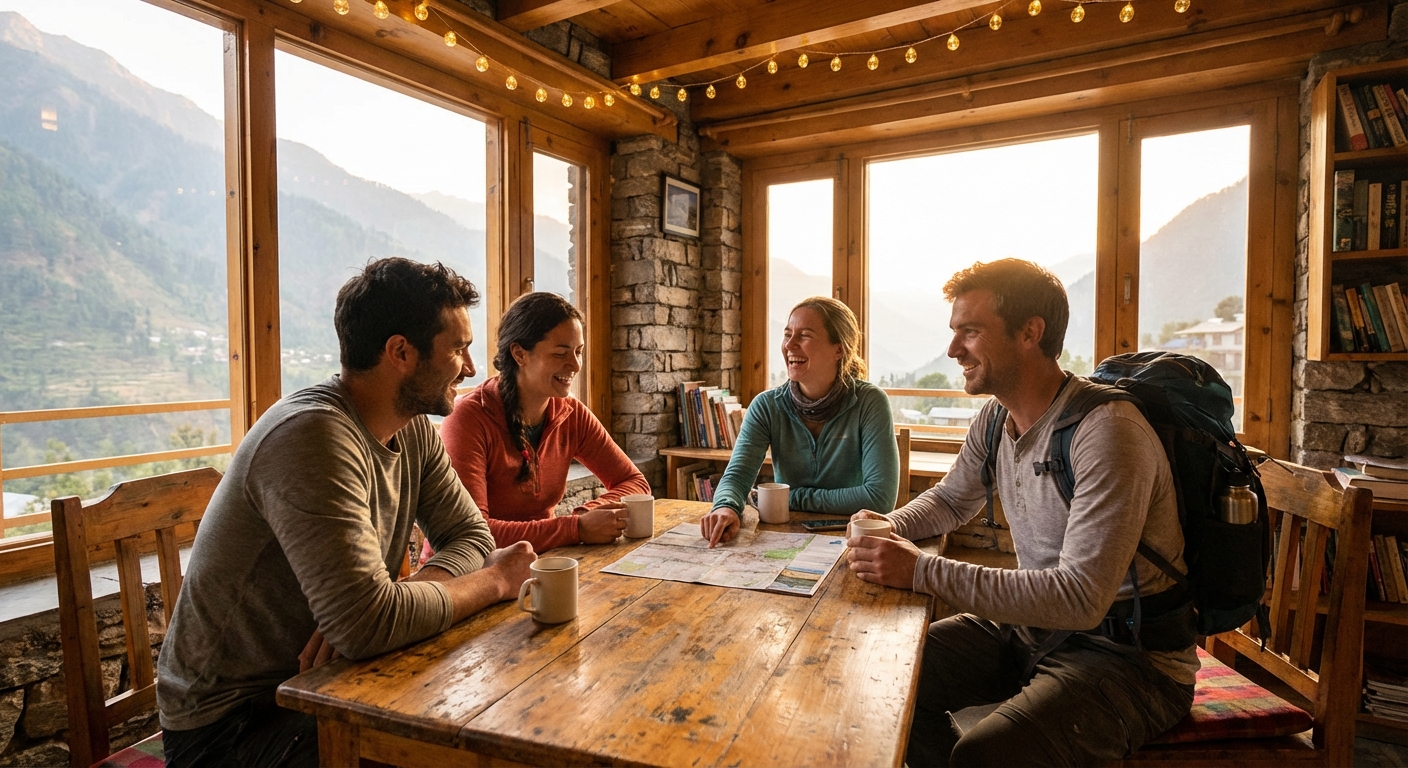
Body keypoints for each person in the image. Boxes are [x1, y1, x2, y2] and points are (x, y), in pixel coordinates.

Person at [156, 258, 536, 768]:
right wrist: (494, 583)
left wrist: (395, 605)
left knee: (499, 713)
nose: (470, 368)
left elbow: (469, 534)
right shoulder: (312, 437)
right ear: (400, 352)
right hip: (234, 726)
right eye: (458, 348)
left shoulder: (411, 427)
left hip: (332, 683)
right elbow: (365, 624)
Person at [846, 258, 1196, 766]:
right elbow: (949, 500)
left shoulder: (1108, 432)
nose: (952, 350)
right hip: (1037, 629)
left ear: (1030, 332)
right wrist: (888, 526)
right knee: (887, 672)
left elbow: (1079, 599)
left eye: (970, 331)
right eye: (954, 331)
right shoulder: (995, 418)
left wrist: (919, 569)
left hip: (1132, 660)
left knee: (985, 754)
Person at [441, 292, 650, 552]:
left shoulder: (571, 413)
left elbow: (633, 481)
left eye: (579, 352)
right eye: (560, 353)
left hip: (537, 563)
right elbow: (475, 534)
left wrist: (586, 514)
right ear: (519, 354)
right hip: (468, 571)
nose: (574, 364)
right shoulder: (469, 419)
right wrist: (576, 528)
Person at [699, 296, 899, 546]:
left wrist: (790, 497)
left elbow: (879, 498)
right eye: (787, 334)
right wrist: (726, 506)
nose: (789, 345)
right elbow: (738, 475)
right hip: (782, 539)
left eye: (804, 335)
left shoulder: (870, 402)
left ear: (839, 348)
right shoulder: (766, 406)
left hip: (852, 541)